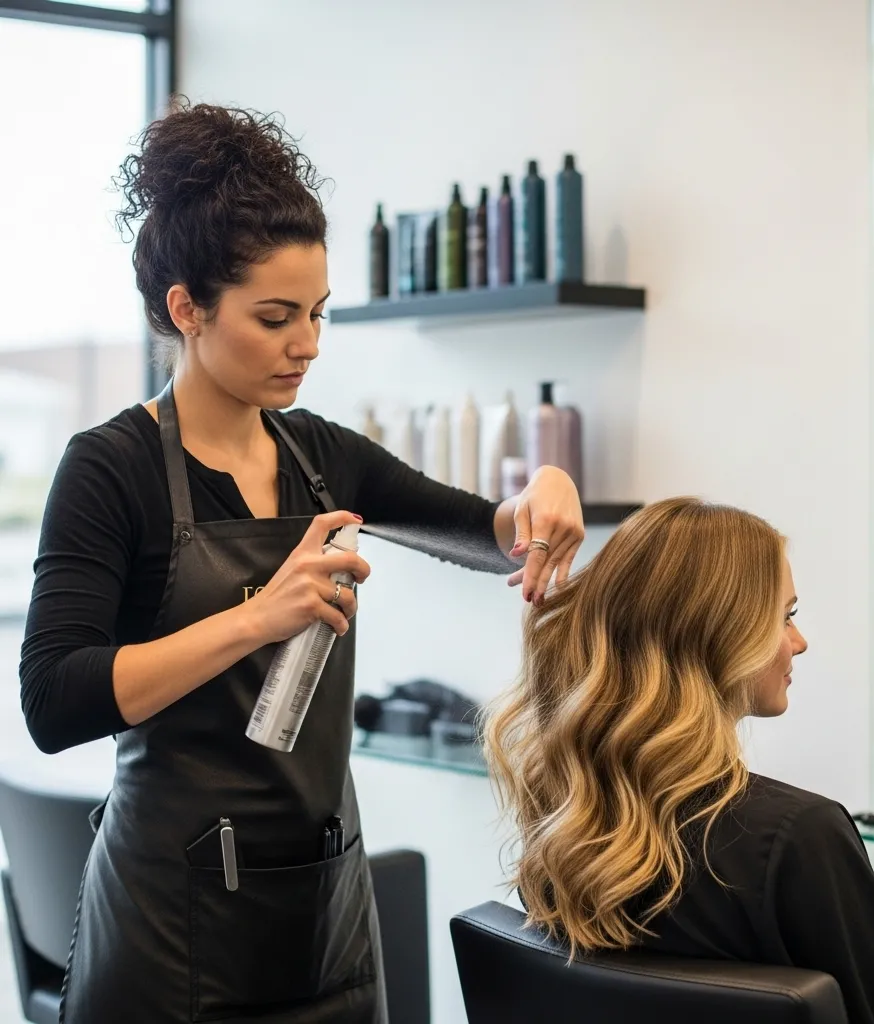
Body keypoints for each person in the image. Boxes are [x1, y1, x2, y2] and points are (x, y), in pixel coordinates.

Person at [19, 102, 584, 1024]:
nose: (308, 344)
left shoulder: (323, 456)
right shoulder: (109, 468)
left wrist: (545, 491)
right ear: (186, 308)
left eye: (318, 314)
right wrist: (254, 617)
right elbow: (54, 699)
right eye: (276, 317)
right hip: (168, 929)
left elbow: (492, 533)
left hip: (323, 912)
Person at [485, 497, 874, 1024]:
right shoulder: (795, 836)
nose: (800, 641)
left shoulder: (566, 817)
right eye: (784, 617)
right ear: (720, 636)